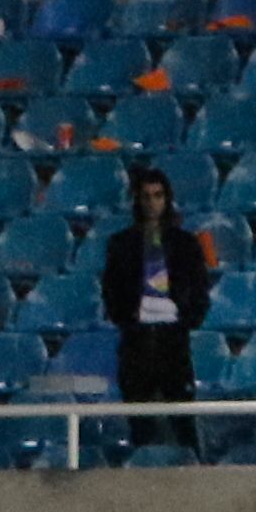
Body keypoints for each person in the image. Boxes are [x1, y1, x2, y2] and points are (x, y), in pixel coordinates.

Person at [100, 166, 216, 422]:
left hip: (174, 343)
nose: (152, 203)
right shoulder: (120, 244)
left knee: (183, 422)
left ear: (167, 199)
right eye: (147, 196)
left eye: (158, 195)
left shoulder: (186, 244)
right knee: (139, 423)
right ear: (138, 200)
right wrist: (127, 316)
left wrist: (186, 318)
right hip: (135, 344)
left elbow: (199, 288)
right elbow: (111, 289)